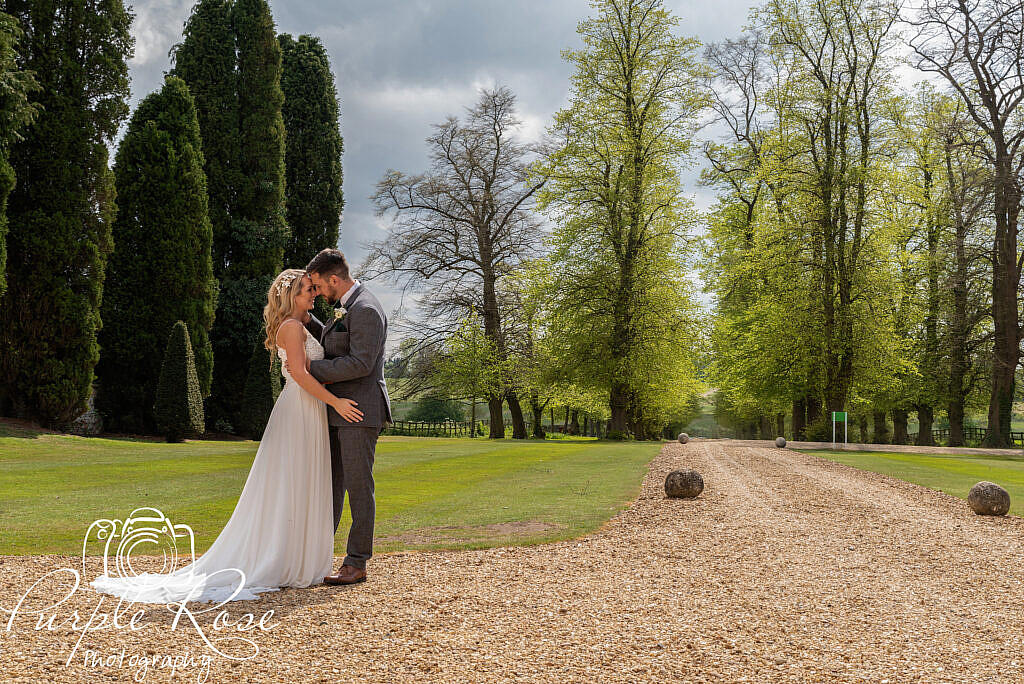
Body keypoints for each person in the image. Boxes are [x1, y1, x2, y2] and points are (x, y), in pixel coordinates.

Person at [90, 269, 363, 603]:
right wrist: (336, 401)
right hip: (301, 409)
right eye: (308, 289)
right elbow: (300, 375)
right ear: (292, 295)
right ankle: (287, 560)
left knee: (303, 483)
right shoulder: (291, 327)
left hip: (310, 411)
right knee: (294, 483)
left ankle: (299, 558)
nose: (314, 294)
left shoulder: (301, 324)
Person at [285, 248, 392, 586]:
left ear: (334, 279)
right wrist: (307, 322)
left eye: (317, 285)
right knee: (330, 487)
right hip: (336, 408)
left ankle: (356, 563)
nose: (316, 291)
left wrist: (306, 369)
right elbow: (336, 345)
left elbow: (360, 363)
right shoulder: (346, 308)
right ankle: (318, 556)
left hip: (359, 411)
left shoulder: (366, 309)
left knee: (359, 488)